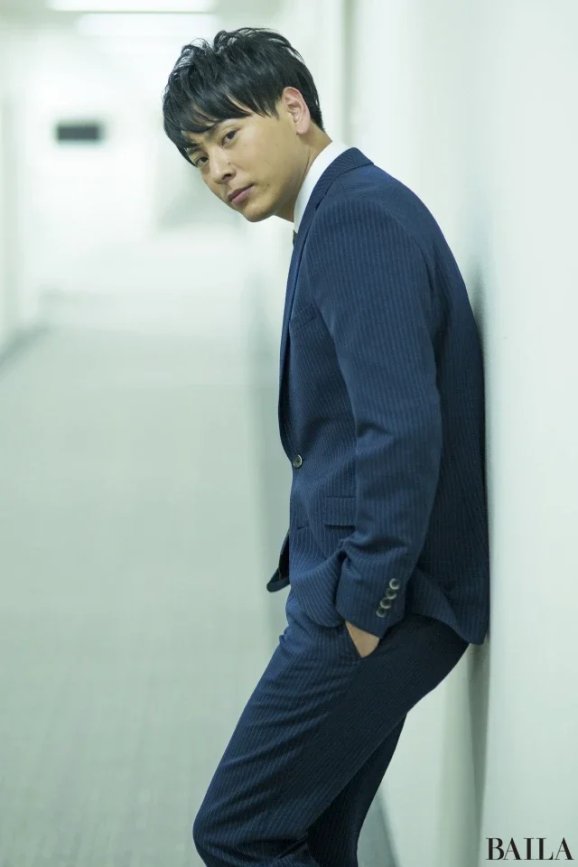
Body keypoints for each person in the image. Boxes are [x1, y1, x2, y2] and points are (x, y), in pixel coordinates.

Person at [162, 26, 490, 867]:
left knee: (236, 830)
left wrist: (365, 607)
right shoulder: (342, 210)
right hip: (363, 585)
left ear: (294, 108)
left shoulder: (354, 219)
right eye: (199, 157)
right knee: (312, 831)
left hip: (385, 596)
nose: (217, 170)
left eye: (228, 135)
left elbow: (401, 424)